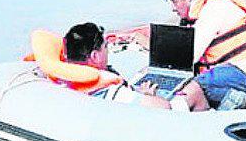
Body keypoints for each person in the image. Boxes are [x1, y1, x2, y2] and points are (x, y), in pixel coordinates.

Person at [27, 23, 172, 109]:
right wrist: (147, 95)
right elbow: (163, 107)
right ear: (95, 56)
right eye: (105, 47)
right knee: (193, 91)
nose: (107, 51)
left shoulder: (55, 76)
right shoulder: (106, 90)